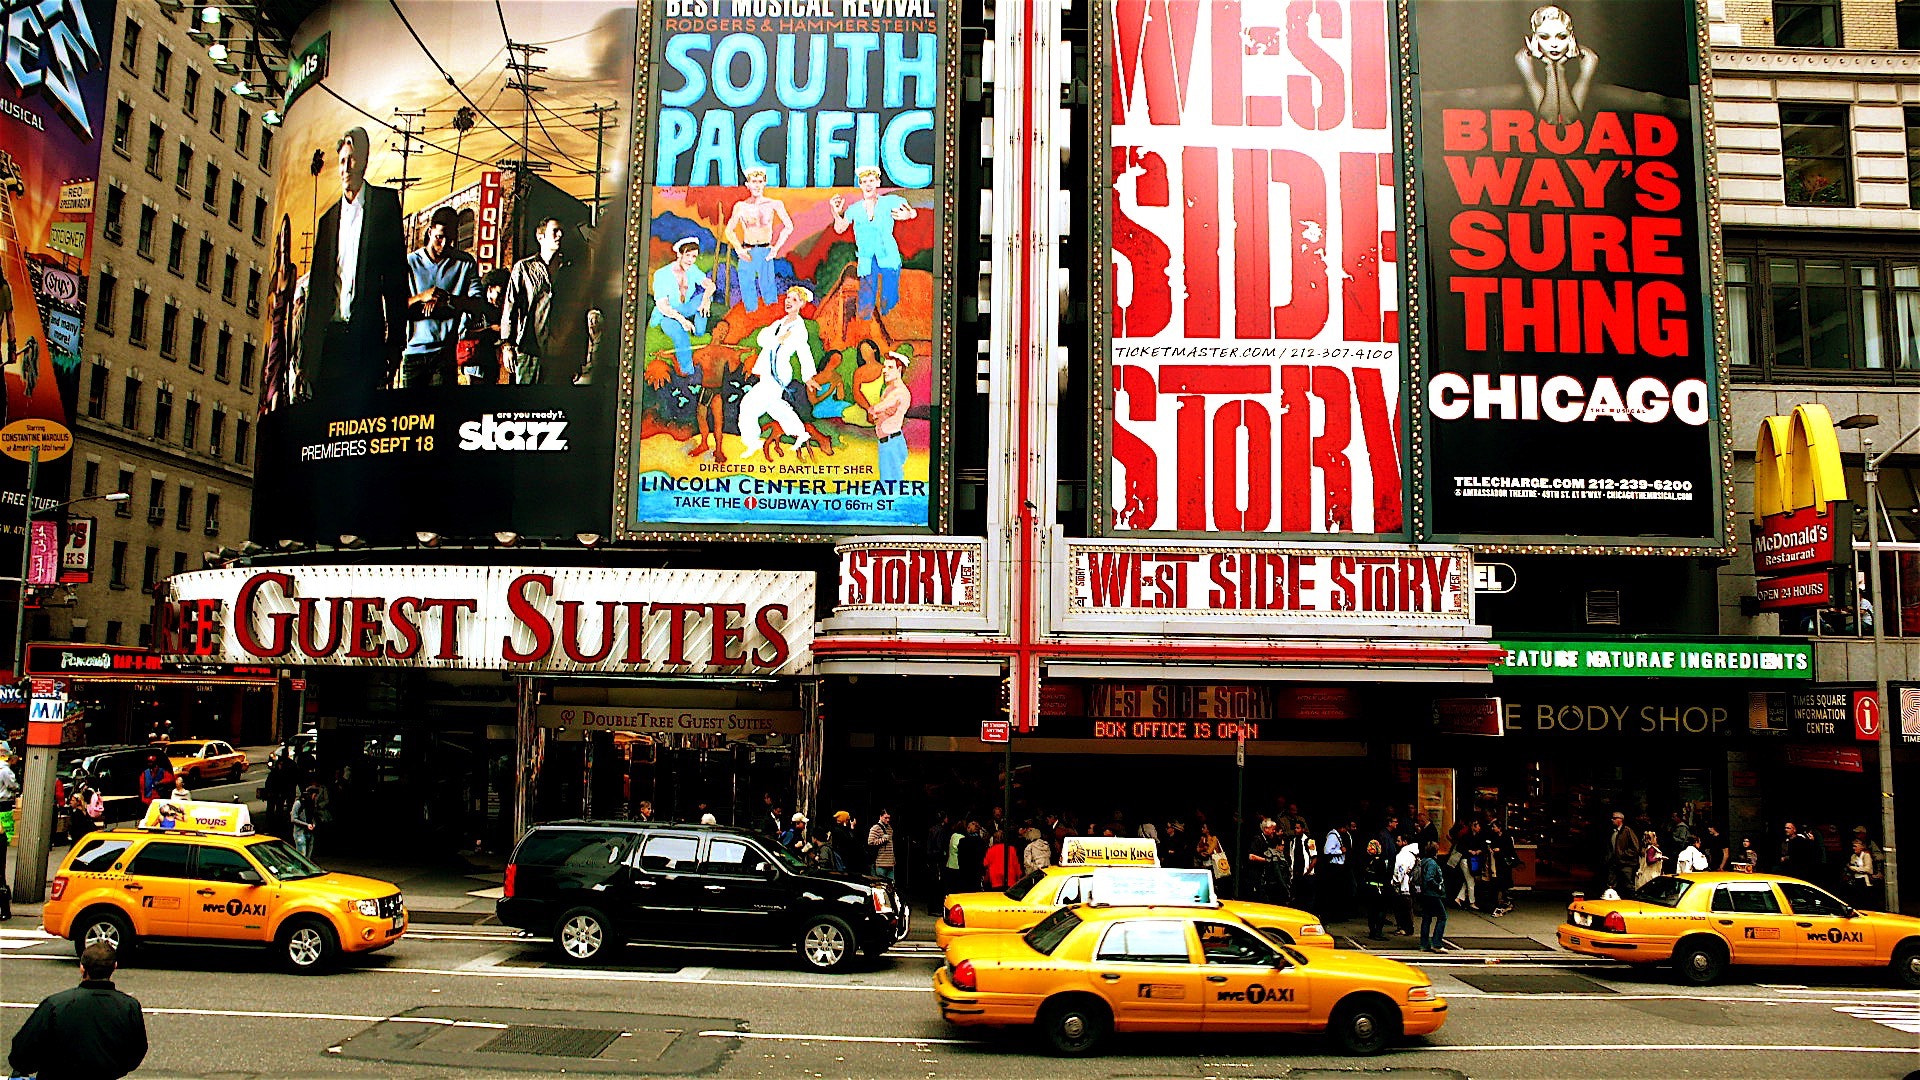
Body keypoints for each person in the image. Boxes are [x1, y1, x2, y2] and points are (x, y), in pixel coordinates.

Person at [300, 127, 409, 392]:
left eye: (351, 160)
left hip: (365, 339)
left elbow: (395, 280)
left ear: (364, 161)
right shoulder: (328, 221)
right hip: (330, 340)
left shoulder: (383, 205)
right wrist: (307, 356)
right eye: (341, 162)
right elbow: (317, 290)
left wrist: (395, 342)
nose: (346, 168)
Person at [8, 942, 146, 1079]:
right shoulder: (129, 1007)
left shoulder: (56, 1005)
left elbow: (21, 1053)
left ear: (82, 968)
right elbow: (136, 1051)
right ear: (114, 967)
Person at [402, 205, 485, 387]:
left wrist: (449, 300)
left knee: (443, 412)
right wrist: (422, 297)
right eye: (439, 237)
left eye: (451, 238)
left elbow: (479, 304)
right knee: (411, 412)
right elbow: (395, 307)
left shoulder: (465, 263)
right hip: (412, 354)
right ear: (430, 232)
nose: (445, 243)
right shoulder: (410, 262)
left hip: (445, 354)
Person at [737, 286, 817, 460]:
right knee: (775, 407)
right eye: (788, 298)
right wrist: (775, 339)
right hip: (768, 372)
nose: (788, 301)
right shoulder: (780, 323)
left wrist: (808, 376)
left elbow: (804, 351)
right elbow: (761, 339)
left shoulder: (799, 328)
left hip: (778, 373)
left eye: (794, 299)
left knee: (748, 405)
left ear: (802, 304)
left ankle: (751, 442)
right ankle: (800, 433)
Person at [501, 217, 583, 384]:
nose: (560, 234)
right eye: (555, 231)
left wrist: (577, 356)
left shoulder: (569, 271)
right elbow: (510, 306)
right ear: (540, 237)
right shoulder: (524, 268)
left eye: (561, 231)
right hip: (530, 351)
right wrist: (507, 345)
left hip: (560, 354)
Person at [829, 165, 916, 318]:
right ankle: (865, 331)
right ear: (860, 185)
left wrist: (907, 214)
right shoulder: (854, 209)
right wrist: (835, 213)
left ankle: (889, 326)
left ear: (878, 182)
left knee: (889, 300)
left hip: (888, 257)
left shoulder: (890, 202)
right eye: (864, 181)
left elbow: (911, 211)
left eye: (871, 180)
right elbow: (840, 228)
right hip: (866, 260)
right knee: (865, 302)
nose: (868, 185)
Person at [724, 168, 794, 311]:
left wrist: (776, 248)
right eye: (753, 182)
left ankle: (770, 319)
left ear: (765, 183)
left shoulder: (774, 204)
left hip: (765, 250)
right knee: (746, 286)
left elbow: (789, 226)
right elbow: (729, 230)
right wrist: (738, 248)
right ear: (747, 184)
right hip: (747, 250)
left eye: (760, 182)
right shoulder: (741, 206)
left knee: (768, 286)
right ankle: (751, 318)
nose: (756, 185)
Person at [648, 236, 716, 380]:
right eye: (688, 255)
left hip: (685, 307)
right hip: (667, 315)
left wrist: (705, 301)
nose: (691, 260)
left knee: (707, 296)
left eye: (694, 256)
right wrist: (682, 320)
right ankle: (688, 372)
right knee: (680, 334)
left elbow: (710, 285)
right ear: (679, 254)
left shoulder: (692, 270)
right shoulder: (662, 274)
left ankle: (699, 332)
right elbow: (662, 305)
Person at [260, 214, 301, 412]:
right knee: (272, 375)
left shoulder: (290, 271)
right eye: (282, 235)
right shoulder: (273, 276)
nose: (284, 239)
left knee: (279, 375)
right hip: (274, 333)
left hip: (284, 331)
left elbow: (291, 301)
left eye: (286, 234)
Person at [868, 345, 914, 484]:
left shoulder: (899, 392)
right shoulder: (889, 389)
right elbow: (876, 414)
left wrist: (876, 411)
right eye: (884, 367)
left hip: (891, 443)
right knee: (887, 484)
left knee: (892, 486)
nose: (884, 371)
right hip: (886, 442)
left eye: (890, 368)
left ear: (899, 370)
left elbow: (876, 409)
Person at [1417, 842, 1448, 952]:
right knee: (1442, 917)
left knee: (1427, 918)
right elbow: (1429, 878)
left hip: (1425, 894)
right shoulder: (1432, 864)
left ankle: (1424, 944)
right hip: (1433, 894)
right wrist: (1438, 887)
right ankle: (1437, 943)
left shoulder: (1423, 861)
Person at [1359, 839, 1392, 941]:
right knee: (1380, 910)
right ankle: (1378, 932)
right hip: (1378, 888)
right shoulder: (1380, 860)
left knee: (1371, 911)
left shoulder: (1366, 859)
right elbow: (1385, 874)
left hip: (1368, 887)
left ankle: (1372, 932)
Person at [1606, 811, 1640, 896]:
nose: (1612, 820)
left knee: (1628, 885)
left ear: (1620, 820)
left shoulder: (1627, 831)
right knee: (1611, 884)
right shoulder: (1613, 832)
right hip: (1614, 863)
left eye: (1614, 818)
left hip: (1626, 863)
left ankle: (1631, 902)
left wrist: (1623, 855)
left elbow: (1635, 848)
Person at [1391, 834, 1419, 936]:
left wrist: (1396, 881)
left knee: (1402, 908)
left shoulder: (1403, 855)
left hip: (1403, 886)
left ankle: (1404, 928)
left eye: (1398, 841)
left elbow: (1401, 870)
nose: (1396, 843)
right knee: (1408, 908)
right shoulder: (1413, 853)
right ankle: (1408, 928)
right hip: (1409, 885)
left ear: (1405, 842)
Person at [1845, 838, 1881, 909]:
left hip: (1865, 881)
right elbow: (1850, 866)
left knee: (1866, 900)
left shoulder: (1866, 855)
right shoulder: (1853, 856)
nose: (1853, 848)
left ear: (1861, 847)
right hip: (1856, 880)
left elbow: (1868, 869)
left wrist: (1853, 868)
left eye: (1855, 846)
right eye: (1853, 846)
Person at [867, 809, 897, 881]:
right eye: (885, 818)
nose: (888, 820)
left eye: (889, 818)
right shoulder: (876, 828)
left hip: (890, 863)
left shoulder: (890, 828)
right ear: (880, 817)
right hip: (880, 863)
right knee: (880, 884)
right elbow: (870, 842)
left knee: (891, 886)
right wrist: (883, 840)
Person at [290, 786, 319, 858]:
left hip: (309, 832)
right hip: (300, 833)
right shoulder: (298, 803)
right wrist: (306, 825)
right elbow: (293, 819)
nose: (315, 798)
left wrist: (313, 824)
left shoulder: (311, 804)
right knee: (301, 856)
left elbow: (312, 816)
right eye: (314, 795)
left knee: (308, 857)